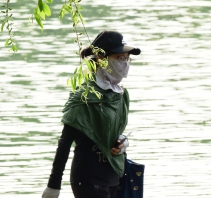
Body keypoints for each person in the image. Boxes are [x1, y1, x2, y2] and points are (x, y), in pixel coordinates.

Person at [42, 30, 141, 198]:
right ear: (102, 59)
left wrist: (122, 143)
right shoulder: (85, 96)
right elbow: (65, 142)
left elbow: (111, 132)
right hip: (89, 179)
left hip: (114, 177)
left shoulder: (120, 94)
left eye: (127, 58)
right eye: (119, 58)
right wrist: (54, 185)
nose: (125, 63)